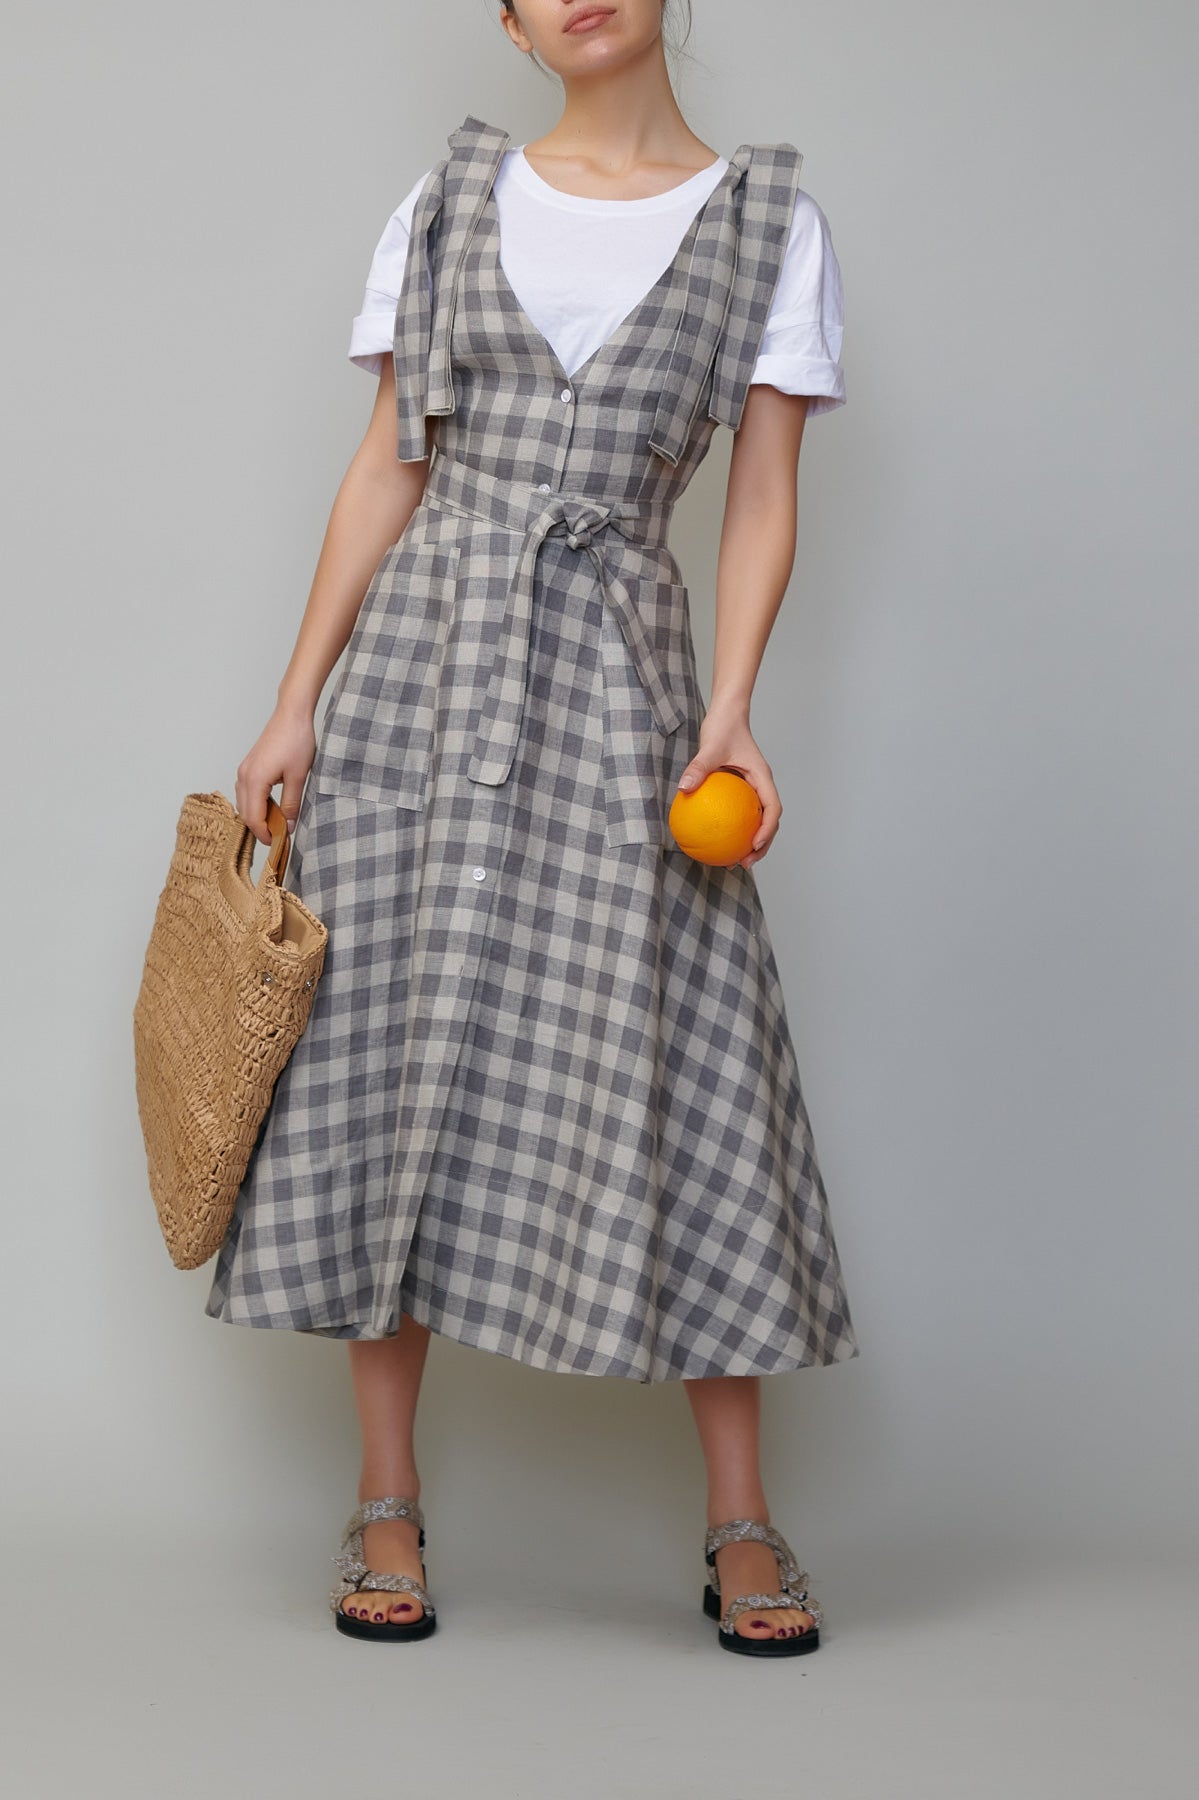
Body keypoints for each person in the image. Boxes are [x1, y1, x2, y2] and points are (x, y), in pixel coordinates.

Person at [206, 0, 860, 1657]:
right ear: (504, 18)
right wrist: (295, 700)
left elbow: (763, 492)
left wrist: (731, 705)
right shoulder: (446, 203)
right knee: (383, 1049)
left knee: (687, 1059)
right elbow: (388, 466)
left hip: (623, 679)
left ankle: (741, 1519)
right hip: (419, 681)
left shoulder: (768, 221)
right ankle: (386, 1497)